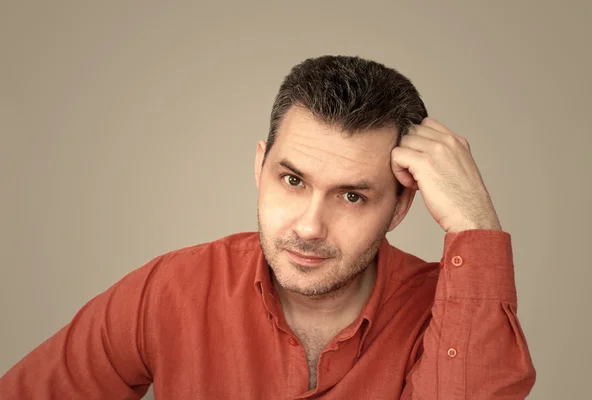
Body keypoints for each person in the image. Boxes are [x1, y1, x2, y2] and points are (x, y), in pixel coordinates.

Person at [0, 55, 536, 399]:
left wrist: (475, 224)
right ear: (260, 168)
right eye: (293, 180)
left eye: (352, 195)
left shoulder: (447, 314)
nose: (308, 226)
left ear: (399, 207)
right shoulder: (171, 289)